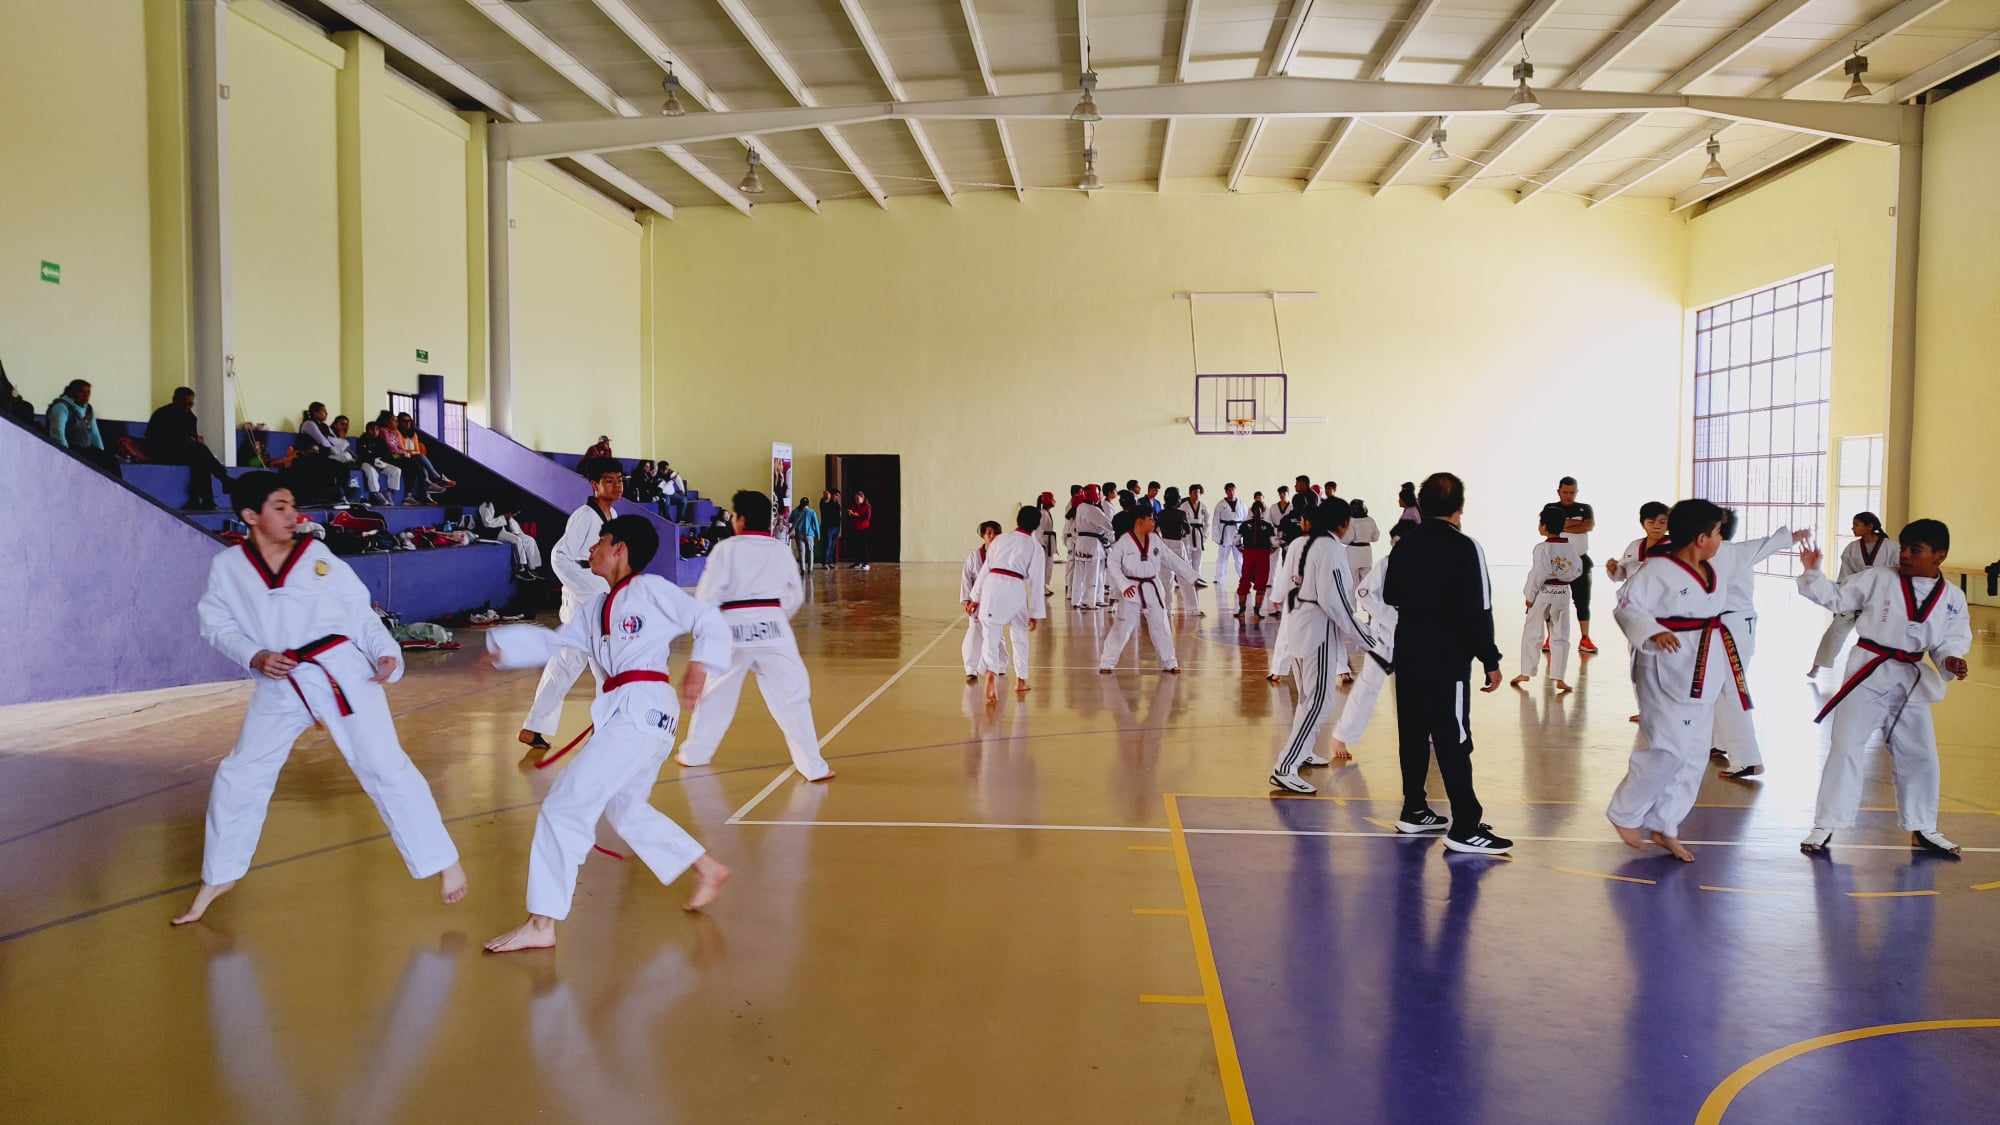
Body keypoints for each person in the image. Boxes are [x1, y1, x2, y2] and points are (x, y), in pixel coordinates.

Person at [173, 472, 466, 925]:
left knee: (383, 765)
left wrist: (386, 654)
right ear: (251, 516)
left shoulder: (317, 556)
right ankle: (221, 874)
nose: (293, 516)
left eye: (292, 506)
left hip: (341, 673)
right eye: (280, 507)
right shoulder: (229, 568)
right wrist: (254, 656)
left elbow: (360, 613)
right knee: (241, 772)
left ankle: (443, 861)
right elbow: (216, 625)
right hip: (280, 679)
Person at [480, 516, 732, 952]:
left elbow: (709, 620)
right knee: (626, 809)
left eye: (599, 542)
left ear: (620, 548)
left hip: (643, 709)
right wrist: (503, 648)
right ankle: (705, 866)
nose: (592, 549)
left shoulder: (652, 590)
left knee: (563, 806)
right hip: (627, 714)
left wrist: (699, 666)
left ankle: (542, 922)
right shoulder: (596, 607)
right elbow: (557, 645)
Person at [1796, 519, 1972, 856]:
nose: (1904, 555)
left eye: (1914, 550)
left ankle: (1923, 826)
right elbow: (1837, 598)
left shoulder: (1953, 598)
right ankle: (1826, 823)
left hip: (1910, 677)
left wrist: (1951, 660)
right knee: (1846, 744)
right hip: (1869, 669)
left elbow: (1950, 641)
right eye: (1904, 547)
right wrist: (1813, 573)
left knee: (1920, 754)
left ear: (1939, 555)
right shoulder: (1879, 577)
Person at [1381, 472, 1511, 855]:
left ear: (1420, 505)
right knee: (1453, 738)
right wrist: (1490, 658)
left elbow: (1390, 594)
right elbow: (1479, 610)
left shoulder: (1404, 545)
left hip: (1408, 653)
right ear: (1460, 507)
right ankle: (1465, 826)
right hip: (1447, 659)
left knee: (1414, 732)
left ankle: (1414, 807)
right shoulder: (1466, 547)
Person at [1605, 498, 1735, 863]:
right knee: (1666, 747)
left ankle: (1666, 824)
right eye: (1717, 532)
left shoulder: (1712, 569)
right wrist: (1653, 631)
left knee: (1693, 755)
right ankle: (1625, 812)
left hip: (1703, 664)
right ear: (1700, 538)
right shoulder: (1656, 571)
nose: (1720, 539)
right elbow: (1626, 606)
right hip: (1664, 664)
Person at [677, 491, 835, 782]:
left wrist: (703, 648)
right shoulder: (780, 549)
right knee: (793, 695)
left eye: (735, 516)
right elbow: (795, 595)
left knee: (716, 694)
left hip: (730, 628)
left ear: (741, 519)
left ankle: (695, 753)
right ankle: (813, 766)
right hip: (774, 627)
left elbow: (705, 599)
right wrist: (773, 617)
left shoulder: (726, 549)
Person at [1267, 498, 1380, 794]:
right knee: (1320, 701)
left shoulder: (1301, 544)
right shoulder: (1330, 549)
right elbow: (1337, 603)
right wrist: (1368, 638)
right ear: (1342, 524)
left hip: (1297, 627)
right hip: (1317, 632)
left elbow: (1285, 584)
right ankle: (1286, 765)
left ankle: (1302, 750)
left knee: (1307, 698)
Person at [515, 458, 622, 763]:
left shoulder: (612, 514)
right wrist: (589, 591)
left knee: (568, 666)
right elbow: (559, 557)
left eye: (619, 479)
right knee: (602, 664)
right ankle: (607, 726)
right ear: (595, 485)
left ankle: (534, 726)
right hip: (584, 603)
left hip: (596, 600)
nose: (616, 485)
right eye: (609, 480)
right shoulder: (584, 516)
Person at [1707, 512, 1811, 779]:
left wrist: (1790, 538)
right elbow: (1770, 543)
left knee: (1732, 689)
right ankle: (1718, 742)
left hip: (1731, 627)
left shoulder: (1731, 552)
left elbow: (1770, 543)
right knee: (1719, 687)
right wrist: (1790, 537)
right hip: (1727, 626)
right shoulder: (1732, 551)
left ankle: (1748, 759)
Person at [1328, 518, 1415, 759]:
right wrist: (1392, 618)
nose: (1396, 545)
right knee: (1367, 687)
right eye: (1394, 542)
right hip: (1383, 637)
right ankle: (1341, 737)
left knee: (1419, 688)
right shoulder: (1386, 564)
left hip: (1414, 637)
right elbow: (1363, 594)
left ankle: (1426, 731)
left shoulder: (1425, 565)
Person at [1098, 506, 1199, 674]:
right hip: (1132, 588)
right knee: (1122, 627)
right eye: (1150, 519)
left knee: (1161, 625)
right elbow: (1113, 564)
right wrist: (1123, 585)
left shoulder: (1155, 540)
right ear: (1139, 521)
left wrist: (1192, 576)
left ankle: (1170, 662)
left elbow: (1171, 559)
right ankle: (1107, 662)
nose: (1153, 522)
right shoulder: (1124, 541)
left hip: (1153, 587)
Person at [967, 506, 1049, 702]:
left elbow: (985, 570)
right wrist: (1035, 613)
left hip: (992, 586)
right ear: (1037, 525)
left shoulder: (1000, 540)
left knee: (991, 635)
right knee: (1019, 635)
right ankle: (1021, 681)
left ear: (1018, 520)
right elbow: (1037, 582)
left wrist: (975, 597)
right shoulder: (1035, 547)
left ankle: (990, 672)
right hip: (1016, 589)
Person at [1808, 512, 1898, 677]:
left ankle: (1880, 670)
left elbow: (1896, 573)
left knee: (1880, 637)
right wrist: (1841, 597)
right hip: (1855, 596)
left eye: (1857, 524)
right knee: (1835, 631)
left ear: (1870, 526)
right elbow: (1845, 575)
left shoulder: (1891, 547)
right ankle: (1817, 666)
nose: (1852, 528)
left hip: (1879, 598)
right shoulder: (1852, 548)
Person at [1511, 508, 1584, 693]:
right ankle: (1559, 678)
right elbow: (1578, 570)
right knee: (1560, 635)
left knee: (1533, 632)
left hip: (1542, 593)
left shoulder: (1541, 548)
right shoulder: (1570, 548)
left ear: (1543, 526)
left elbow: (1538, 574)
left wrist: (1529, 596)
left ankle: (1526, 672)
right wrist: (1563, 576)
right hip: (1562, 593)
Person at [1537, 477, 1599, 655]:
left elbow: (1588, 526)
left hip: (1580, 560)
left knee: (1582, 601)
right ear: (1558, 491)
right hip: (1554, 562)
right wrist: (1575, 524)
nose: (1568, 495)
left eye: (1572, 492)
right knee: (1552, 601)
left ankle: (1585, 638)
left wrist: (1560, 524)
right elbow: (1543, 530)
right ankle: (1551, 637)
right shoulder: (1550, 507)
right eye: (1565, 492)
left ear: (1576, 492)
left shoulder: (1585, 508)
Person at [144, 386, 228, 509]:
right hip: (161, 452)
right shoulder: (161, 414)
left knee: (200, 456)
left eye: (190, 404)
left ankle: (203, 499)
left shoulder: (191, 417)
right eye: (184, 403)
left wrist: (192, 441)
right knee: (200, 452)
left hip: (183, 452)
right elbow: (152, 439)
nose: (187, 407)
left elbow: (191, 438)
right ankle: (221, 481)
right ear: (174, 400)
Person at [45, 379, 121, 478]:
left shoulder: (88, 409)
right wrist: (66, 458)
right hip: (72, 449)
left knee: (111, 461)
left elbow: (95, 434)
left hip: (86, 449)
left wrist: (101, 452)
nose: (86, 395)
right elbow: (58, 433)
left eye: (88, 392)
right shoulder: (61, 407)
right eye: (82, 392)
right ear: (72, 392)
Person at [960, 520, 1003, 682]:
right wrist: (966, 600)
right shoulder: (974, 556)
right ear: (983, 536)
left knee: (995, 633)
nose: (992, 536)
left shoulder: (1002, 554)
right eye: (988, 533)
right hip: (976, 602)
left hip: (996, 600)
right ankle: (971, 668)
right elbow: (966, 579)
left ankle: (1000, 663)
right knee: (974, 632)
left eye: (995, 533)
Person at [478, 497, 545, 580]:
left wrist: (516, 529)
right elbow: (487, 523)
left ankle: (534, 568)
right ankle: (520, 569)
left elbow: (508, 520)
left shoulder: (497, 503)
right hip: (493, 533)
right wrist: (505, 517)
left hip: (504, 529)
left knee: (530, 540)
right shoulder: (485, 505)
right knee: (517, 540)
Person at [1069, 484, 1113, 609]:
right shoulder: (1093, 510)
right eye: (1099, 493)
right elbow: (1108, 525)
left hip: (1081, 542)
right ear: (1095, 494)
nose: (1100, 496)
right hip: (1092, 543)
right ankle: (1089, 601)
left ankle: (1078, 600)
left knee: (1080, 573)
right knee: (1094, 573)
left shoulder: (1080, 507)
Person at [1606, 501, 1672, 585]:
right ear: (1643, 524)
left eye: (1662, 522)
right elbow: (1624, 573)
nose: (1656, 526)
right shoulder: (1634, 545)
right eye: (1651, 522)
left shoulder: (1677, 547)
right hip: (1634, 595)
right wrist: (1614, 569)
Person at [1156, 487, 1197, 615]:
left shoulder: (1160, 514)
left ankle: (1166, 608)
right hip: (1178, 545)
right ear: (1177, 499)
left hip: (1164, 544)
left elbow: (1155, 530)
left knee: (1165, 579)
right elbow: (1188, 530)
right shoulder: (1181, 514)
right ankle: (1192, 608)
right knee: (1185, 577)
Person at [1235, 501, 1278, 619]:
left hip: (1250, 554)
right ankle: (1256, 610)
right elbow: (1275, 543)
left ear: (1251, 511)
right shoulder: (1268, 526)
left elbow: (1236, 541)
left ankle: (1242, 609)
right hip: (1262, 555)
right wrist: (1271, 550)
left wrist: (1241, 549)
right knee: (1261, 583)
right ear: (1263, 511)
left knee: (1245, 582)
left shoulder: (1245, 525)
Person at [395, 413, 455, 496]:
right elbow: (403, 449)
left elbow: (417, 450)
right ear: (399, 422)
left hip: (413, 458)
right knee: (420, 457)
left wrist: (412, 452)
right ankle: (436, 478)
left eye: (409, 421)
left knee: (420, 463)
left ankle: (425, 487)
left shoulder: (414, 434)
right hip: (402, 458)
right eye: (404, 421)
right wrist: (412, 452)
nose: (408, 423)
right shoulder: (397, 433)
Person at [354, 419, 407, 504]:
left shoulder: (381, 440)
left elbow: (386, 454)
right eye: (372, 429)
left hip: (379, 463)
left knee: (396, 470)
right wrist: (373, 460)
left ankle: (389, 492)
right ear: (367, 430)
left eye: (376, 429)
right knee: (371, 471)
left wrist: (381, 461)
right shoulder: (362, 439)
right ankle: (376, 493)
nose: (374, 431)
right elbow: (362, 454)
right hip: (366, 463)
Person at [1211, 483, 1245, 590]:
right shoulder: (1220, 504)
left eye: (1233, 490)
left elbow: (1245, 520)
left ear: (1235, 490)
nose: (1231, 492)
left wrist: (1245, 536)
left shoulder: (1242, 504)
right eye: (1229, 490)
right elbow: (1215, 521)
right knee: (1222, 557)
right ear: (1226, 491)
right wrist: (1216, 536)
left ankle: (1243, 576)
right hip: (1225, 534)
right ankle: (1218, 577)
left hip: (1237, 533)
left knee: (1239, 558)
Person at [1344, 498, 1380, 582]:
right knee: (1366, 581)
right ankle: (1365, 595)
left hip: (1353, 553)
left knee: (1352, 582)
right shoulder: (1370, 520)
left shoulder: (1350, 521)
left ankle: (1354, 596)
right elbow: (1376, 537)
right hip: (1366, 552)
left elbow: (1347, 539)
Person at [1181, 484, 1210, 592]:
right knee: (1187, 558)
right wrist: (1182, 533)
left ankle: (1197, 579)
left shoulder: (1203, 506)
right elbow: (1180, 521)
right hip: (1188, 535)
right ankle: (1187, 579)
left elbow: (1207, 522)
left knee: (1198, 558)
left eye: (1198, 492)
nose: (1196, 495)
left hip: (1199, 534)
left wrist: (1205, 535)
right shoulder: (1183, 506)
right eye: (1194, 492)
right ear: (1190, 493)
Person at [845, 490, 874, 570]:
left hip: (864, 529)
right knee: (857, 547)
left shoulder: (867, 506)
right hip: (856, 529)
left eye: (858, 498)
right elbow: (854, 517)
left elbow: (866, 518)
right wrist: (851, 514)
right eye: (855, 499)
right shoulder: (855, 506)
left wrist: (855, 515)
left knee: (864, 547)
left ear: (863, 498)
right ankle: (858, 562)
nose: (856, 500)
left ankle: (866, 564)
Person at [0, 358, 34, 425]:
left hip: (10, 406)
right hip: (4, 411)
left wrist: (15, 397)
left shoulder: (3, 381)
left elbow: (16, 397)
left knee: (28, 406)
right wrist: (13, 398)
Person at [790, 497, 820, 573]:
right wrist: (818, 534)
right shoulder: (812, 512)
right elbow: (816, 524)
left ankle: (802, 569)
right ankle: (810, 569)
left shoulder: (795, 511)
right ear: (808, 504)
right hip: (809, 535)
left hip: (799, 534)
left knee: (801, 552)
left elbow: (790, 520)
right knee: (810, 551)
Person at [1037, 492, 1060, 589]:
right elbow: (1039, 530)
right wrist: (1041, 543)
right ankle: (1042, 586)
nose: (1054, 501)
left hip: (1048, 540)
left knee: (1049, 564)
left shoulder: (1046, 512)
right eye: (1052, 499)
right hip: (1045, 542)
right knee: (1045, 565)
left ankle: (1045, 585)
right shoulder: (1042, 513)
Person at [819, 490, 842, 566]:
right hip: (828, 527)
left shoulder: (837, 504)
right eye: (836, 495)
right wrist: (827, 496)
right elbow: (823, 502)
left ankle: (830, 562)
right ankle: (825, 562)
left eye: (839, 496)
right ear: (832, 495)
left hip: (836, 527)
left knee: (832, 546)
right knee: (827, 545)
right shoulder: (825, 502)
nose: (838, 497)